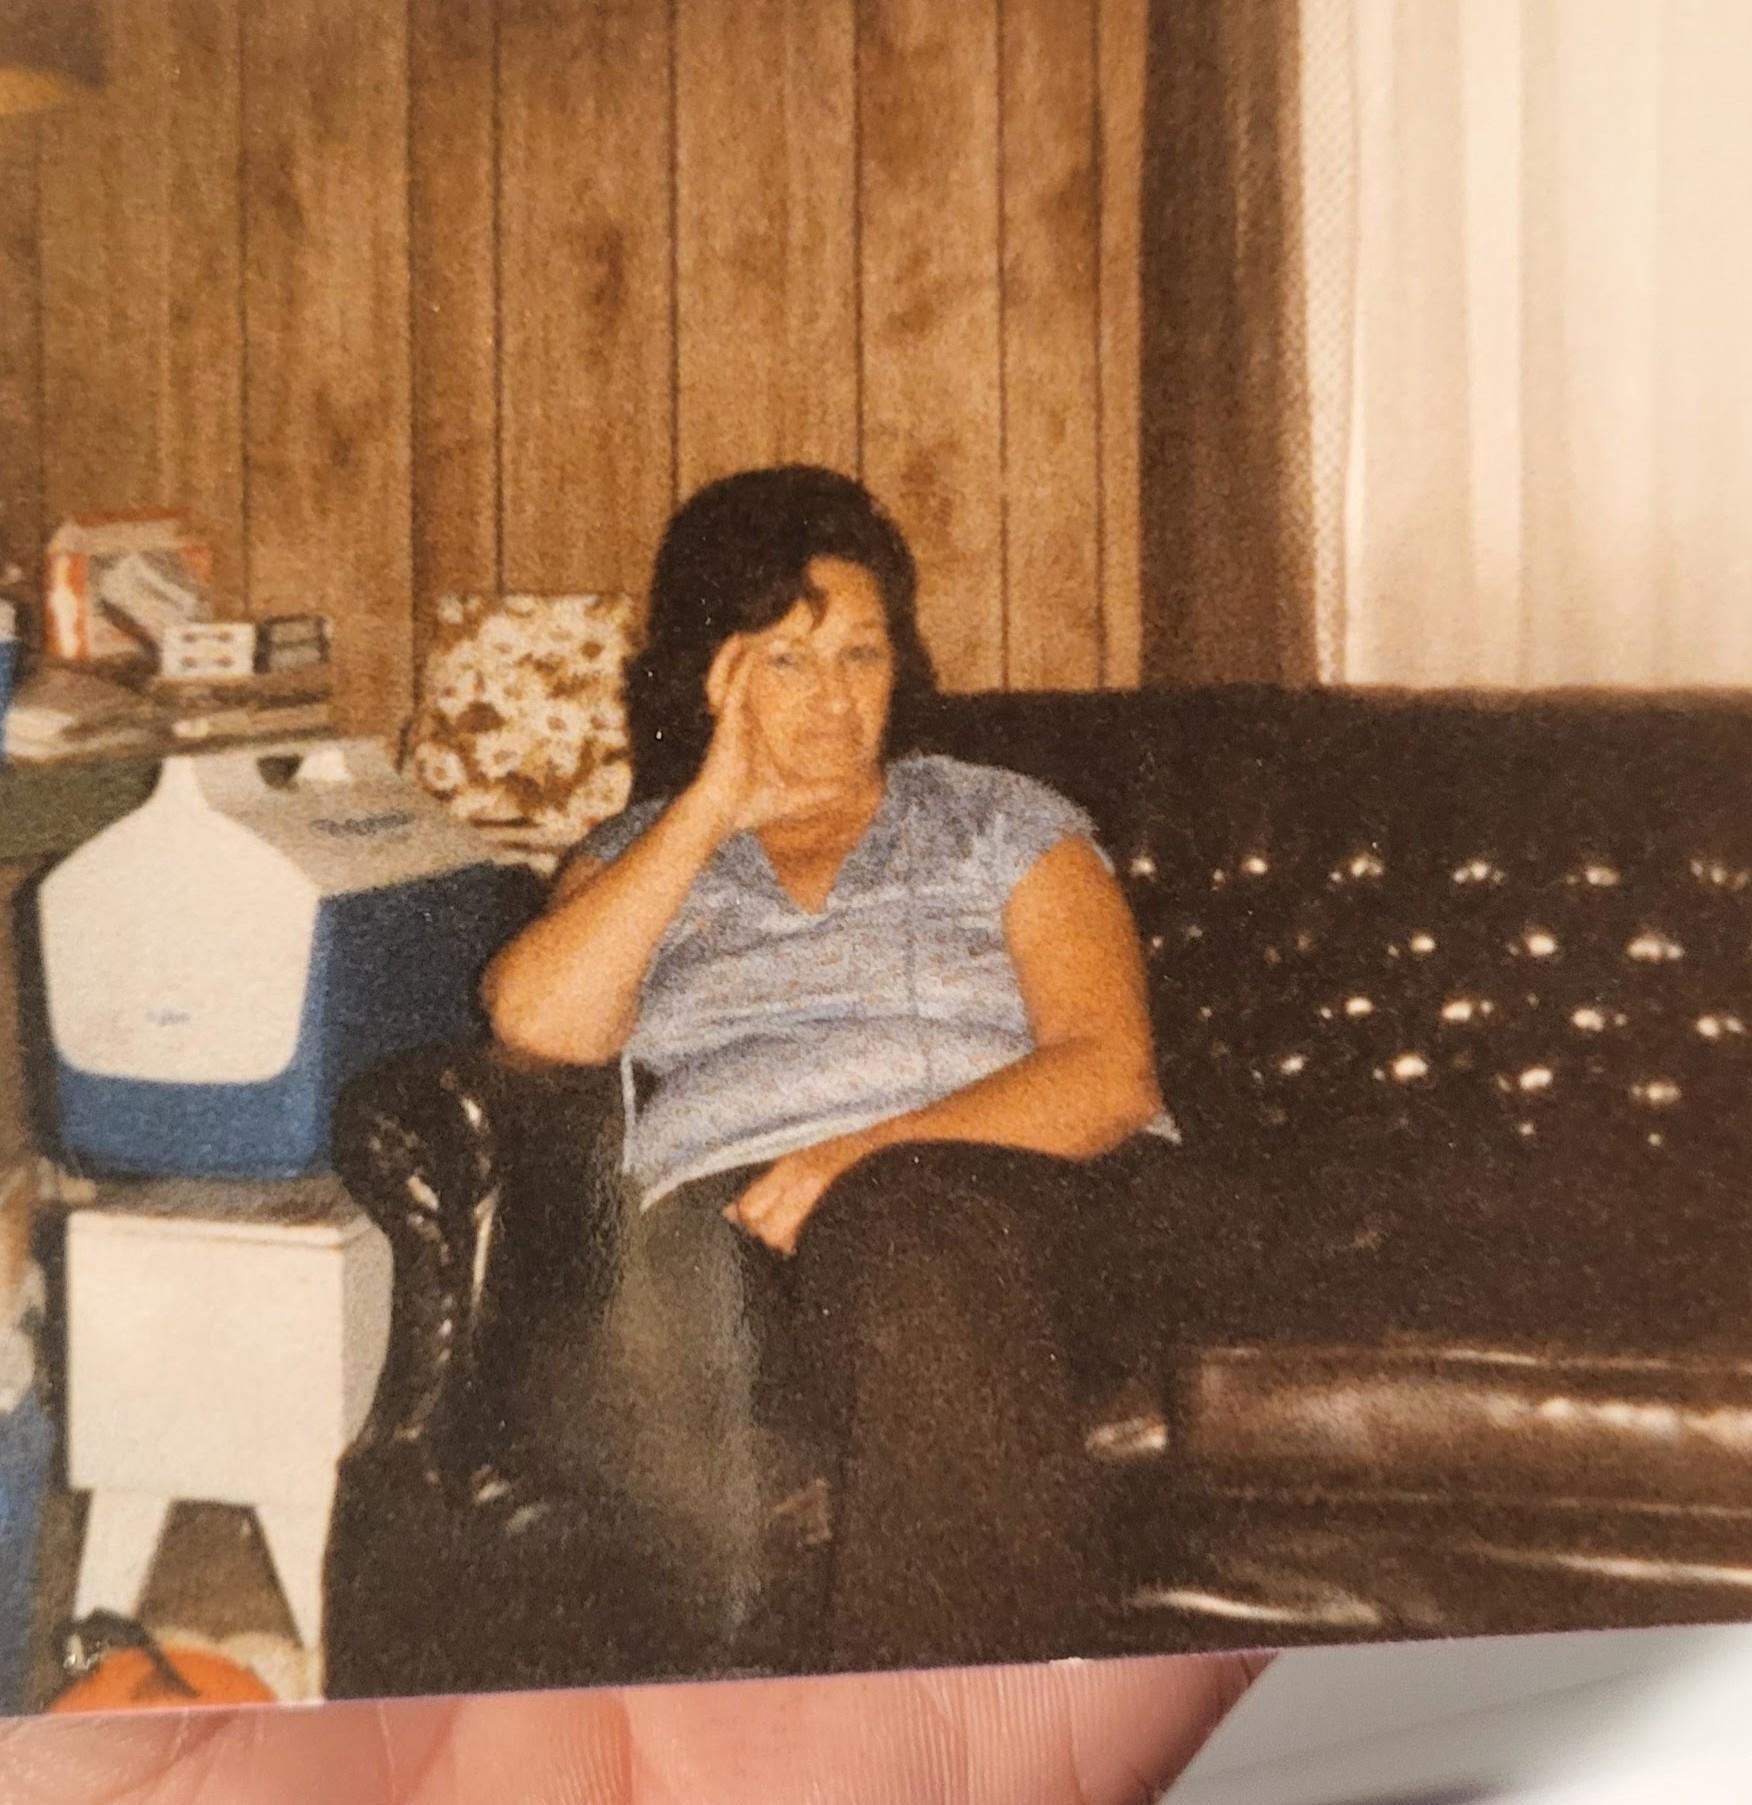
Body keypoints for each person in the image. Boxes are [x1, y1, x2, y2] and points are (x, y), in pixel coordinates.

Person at [481, 465, 1183, 1677]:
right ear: (712, 674)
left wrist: (859, 1156)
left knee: (906, 1229)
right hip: (736, 1239)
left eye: (862, 653)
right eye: (787, 659)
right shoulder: (637, 855)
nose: (834, 695)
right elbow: (539, 1024)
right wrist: (710, 804)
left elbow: (1110, 1071)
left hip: (1005, 1198)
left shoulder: (1001, 820)